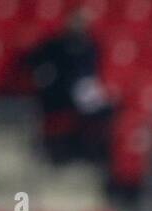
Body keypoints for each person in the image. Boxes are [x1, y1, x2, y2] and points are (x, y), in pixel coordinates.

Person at [23, 8, 114, 168]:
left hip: (84, 90)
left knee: (107, 110)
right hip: (59, 92)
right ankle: (60, 150)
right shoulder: (55, 44)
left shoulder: (91, 45)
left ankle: (90, 152)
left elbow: (92, 73)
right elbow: (35, 61)